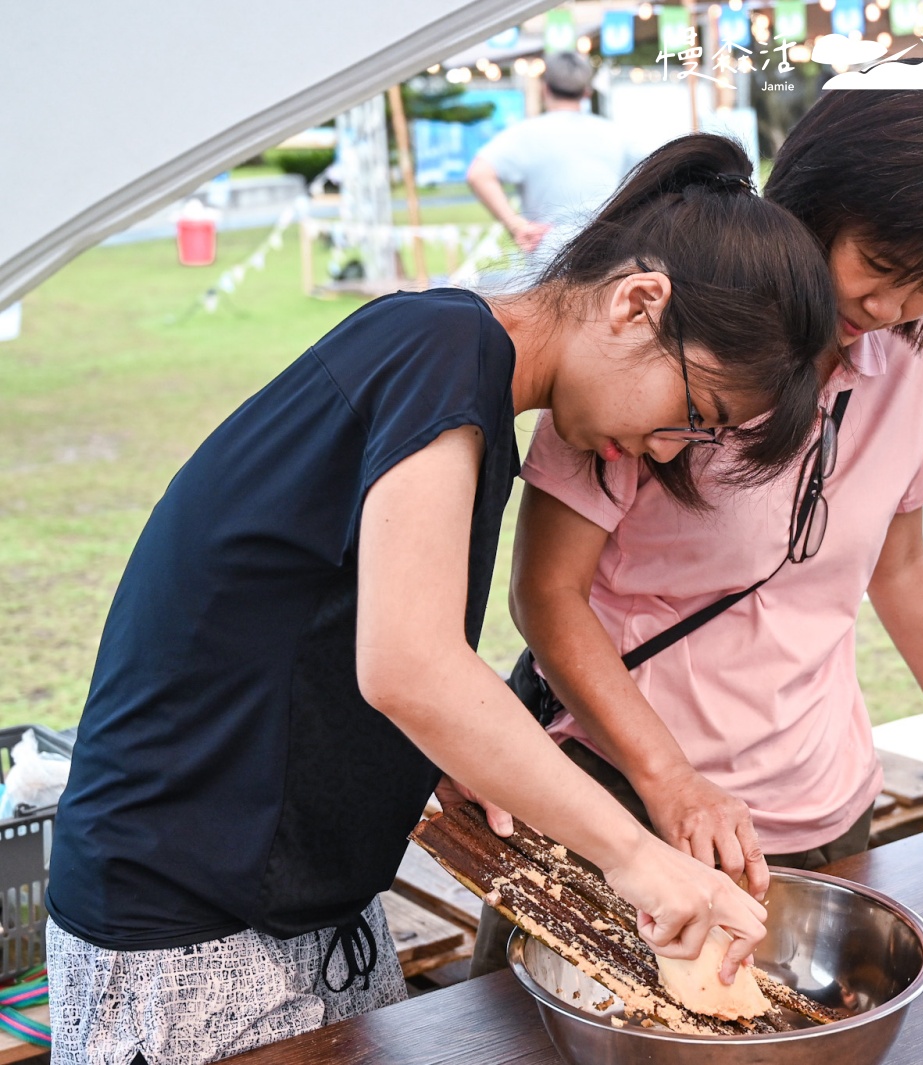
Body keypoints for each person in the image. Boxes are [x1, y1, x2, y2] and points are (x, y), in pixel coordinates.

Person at [43, 135, 839, 1065]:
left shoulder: (471, 395)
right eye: (691, 417)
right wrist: (637, 855)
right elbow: (409, 665)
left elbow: (329, 632)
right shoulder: (439, 349)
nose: (666, 452)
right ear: (637, 304)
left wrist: (447, 755)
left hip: (305, 908)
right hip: (185, 923)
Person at [472, 60, 923, 974]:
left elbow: (899, 562)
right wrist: (668, 779)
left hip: (822, 805)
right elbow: (547, 594)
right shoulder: (670, 321)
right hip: (620, 797)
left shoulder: (908, 354)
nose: (890, 309)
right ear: (816, 193)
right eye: (878, 266)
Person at [466, 51, 634, 272]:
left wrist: (516, 225)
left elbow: (478, 174)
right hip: (608, 250)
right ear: (586, 92)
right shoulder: (615, 133)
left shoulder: (525, 134)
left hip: (551, 256)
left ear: (544, 88)